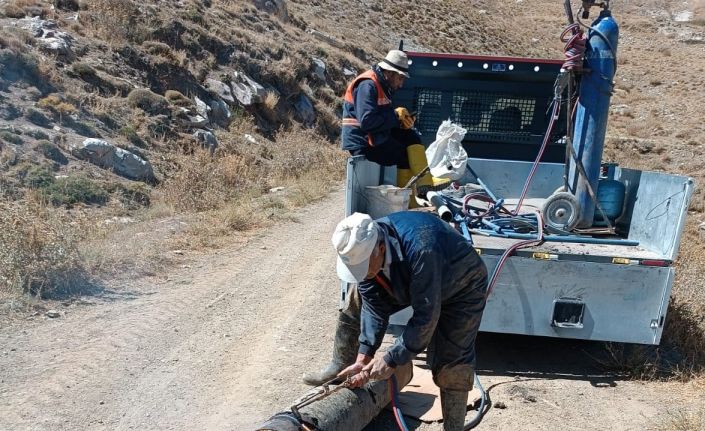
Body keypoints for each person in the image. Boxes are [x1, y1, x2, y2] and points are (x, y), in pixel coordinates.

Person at [309, 211, 488, 431]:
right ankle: (342, 365)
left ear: (380, 250)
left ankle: (453, 427)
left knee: (453, 363)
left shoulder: (421, 248)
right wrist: (365, 355)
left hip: (462, 284)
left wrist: (392, 358)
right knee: (357, 297)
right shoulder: (366, 249)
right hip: (411, 278)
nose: (362, 274)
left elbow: (426, 318)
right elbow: (374, 307)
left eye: (364, 268)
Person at [340, 50, 441, 194]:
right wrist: (395, 116)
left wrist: (402, 123)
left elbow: (382, 119)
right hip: (363, 142)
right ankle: (408, 198)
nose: (401, 84)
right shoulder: (367, 85)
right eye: (400, 78)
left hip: (374, 136)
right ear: (389, 73)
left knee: (411, 137)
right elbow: (367, 122)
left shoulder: (383, 86)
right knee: (404, 155)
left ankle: (425, 182)